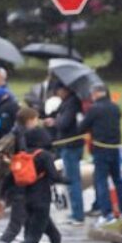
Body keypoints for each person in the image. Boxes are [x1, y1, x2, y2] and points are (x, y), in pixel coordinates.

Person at [15, 122, 86, 243]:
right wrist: (69, 180)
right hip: (41, 203)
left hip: (26, 201)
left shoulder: (24, 154)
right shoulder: (44, 155)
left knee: (54, 236)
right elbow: (54, 177)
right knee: (31, 240)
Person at [78, 84, 122, 224]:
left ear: (95, 93)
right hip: (114, 147)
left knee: (101, 181)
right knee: (118, 179)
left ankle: (107, 213)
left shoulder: (94, 109)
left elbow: (82, 127)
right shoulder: (114, 107)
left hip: (100, 149)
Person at [45, 82, 85, 225]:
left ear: (65, 90)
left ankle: (78, 214)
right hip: (68, 145)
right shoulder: (67, 102)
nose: (57, 93)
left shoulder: (72, 103)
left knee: (72, 180)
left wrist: (54, 122)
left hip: (71, 145)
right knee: (71, 179)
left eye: (59, 90)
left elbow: (64, 123)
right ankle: (75, 212)